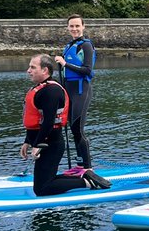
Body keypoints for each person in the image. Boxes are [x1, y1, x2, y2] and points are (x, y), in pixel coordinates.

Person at [21, 54, 109, 196]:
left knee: (41, 189)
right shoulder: (40, 89)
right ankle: (82, 176)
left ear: (45, 70)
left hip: (51, 144)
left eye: (32, 67)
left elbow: (49, 122)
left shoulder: (52, 91)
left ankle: (86, 182)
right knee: (44, 183)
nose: (28, 70)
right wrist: (27, 141)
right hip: (44, 143)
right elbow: (36, 119)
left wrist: (37, 144)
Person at [53, 14, 96, 169]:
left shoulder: (86, 46)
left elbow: (87, 70)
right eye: (71, 26)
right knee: (72, 129)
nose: (74, 29)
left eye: (77, 26)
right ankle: (80, 166)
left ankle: (88, 168)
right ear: (67, 27)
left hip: (81, 90)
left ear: (83, 26)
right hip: (68, 91)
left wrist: (64, 64)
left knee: (77, 129)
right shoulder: (69, 46)